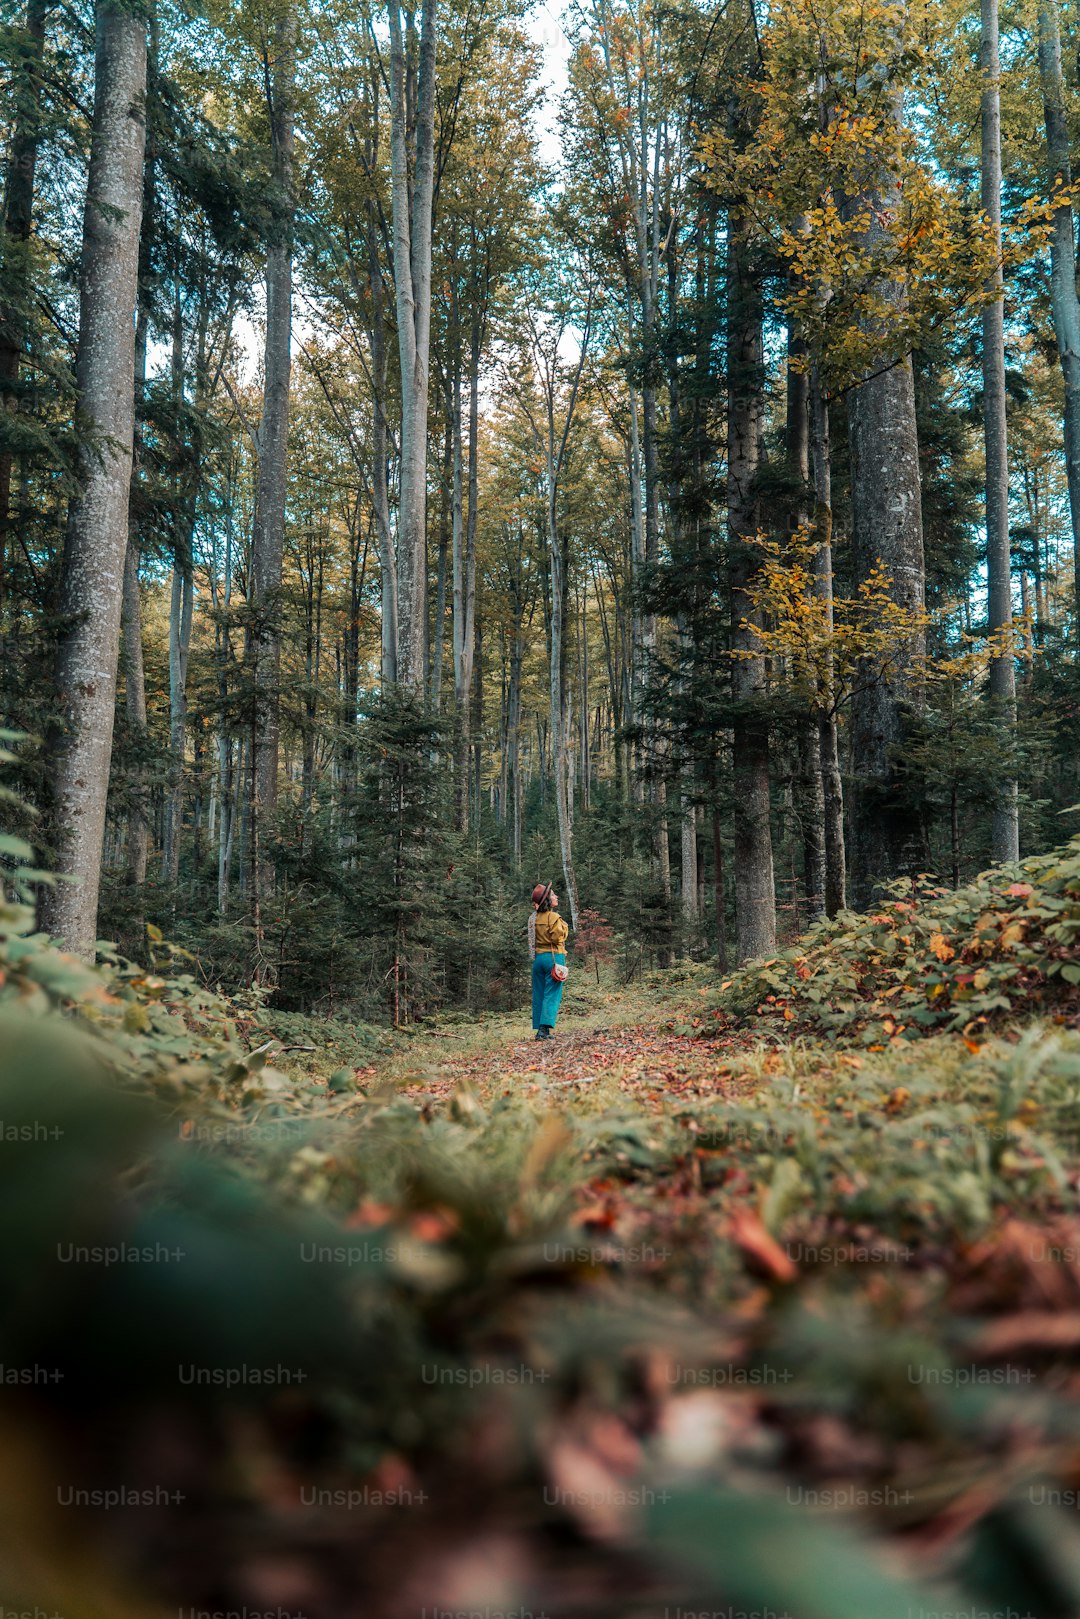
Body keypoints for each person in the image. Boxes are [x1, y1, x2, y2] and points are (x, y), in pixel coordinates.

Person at [529, 881, 569, 1040]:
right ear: (547, 901)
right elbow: (559, 936)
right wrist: (563, 925)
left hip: (538, 960)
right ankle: (544, 1031)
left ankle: (539, 1028)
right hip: (554, 957)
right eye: (553, 895)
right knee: (552, 993)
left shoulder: (533, 918)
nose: (556, 896)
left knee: (539, 994)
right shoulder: (553, 917)